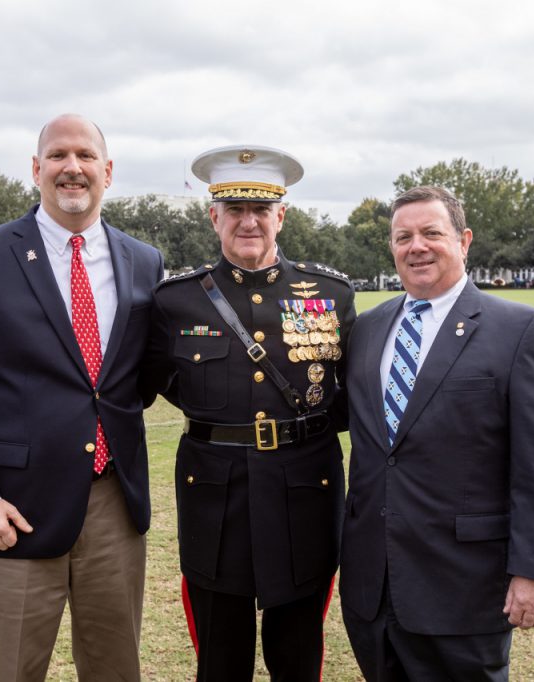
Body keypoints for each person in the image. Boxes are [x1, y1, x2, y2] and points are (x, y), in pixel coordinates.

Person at [0, 113, 164, 681]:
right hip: (15, 509)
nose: (71, 167)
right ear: (36, 170)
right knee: (6, 670)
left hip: (113, 505)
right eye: (57, 156)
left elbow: (145, 375)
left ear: (108, 171)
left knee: (114, 669)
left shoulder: (144, 261)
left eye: (85, 156)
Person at [339, 185, 534, 681]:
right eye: (403, 236)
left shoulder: (521, 330)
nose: (416, 246)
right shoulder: (367, 329)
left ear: (464, 240)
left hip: (463, 588)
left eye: (432, 233)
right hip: (372, 588)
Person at [149, 145, 356, 681]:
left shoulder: (330, 295)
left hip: (305, 491)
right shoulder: (175, 302)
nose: (249, 221)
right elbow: (150, 384)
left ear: (281, 215)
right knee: (220, 657)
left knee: (297, 653)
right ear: (213, 215)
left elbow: (350, 396)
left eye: (261, 210)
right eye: (234, 210)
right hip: (215, 495)